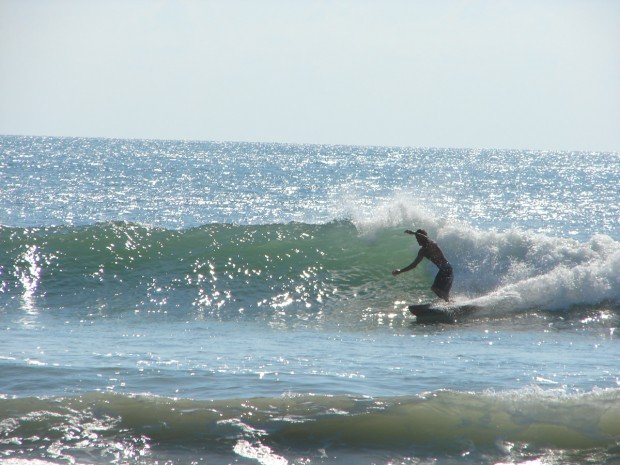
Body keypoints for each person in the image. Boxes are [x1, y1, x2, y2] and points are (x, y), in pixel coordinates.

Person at [392, 229, 453, 302]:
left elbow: (426, 238)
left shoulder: (432, 244)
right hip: (443, 270)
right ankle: (451, 304)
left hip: (446, 268)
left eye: (418, 238)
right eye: (416, 238)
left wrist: (414, 233)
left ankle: (449, 304)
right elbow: (414, 265)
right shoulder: (422, 251)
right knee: (440, 291)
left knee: (436, 289)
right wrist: (400, 271)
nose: (417, 240)